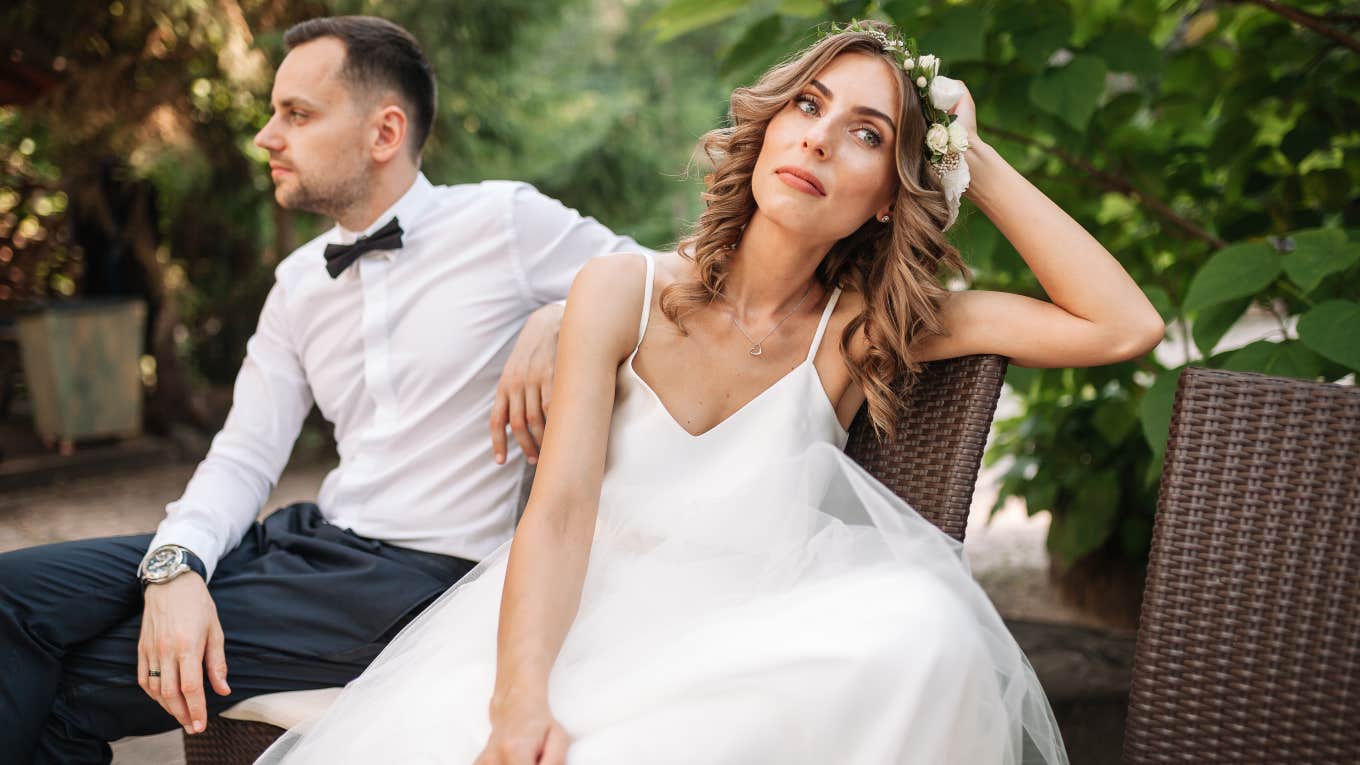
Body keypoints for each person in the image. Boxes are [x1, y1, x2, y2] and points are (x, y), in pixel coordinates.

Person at [261, 19, 1165, 765]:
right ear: (769, 128)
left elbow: (1121, 326)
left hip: (760, 644)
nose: (817, 134)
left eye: (867, 132)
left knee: (926, 626)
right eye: (807, 105)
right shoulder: (621, 292)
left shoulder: (856, 330)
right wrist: (520, 700)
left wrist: (969, 151)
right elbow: (562, 509)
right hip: (585, 631)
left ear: (890, 194)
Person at [0, 15, 643, 765]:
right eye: (274, 113)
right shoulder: (299, 281)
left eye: (297, 114)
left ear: (384, 132)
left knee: (71, 683)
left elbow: (667, 282)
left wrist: (566, 311)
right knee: (14, 591)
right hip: (306, 537)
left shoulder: (504, 222)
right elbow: (243, 454)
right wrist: (177, 563)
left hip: (419, 576)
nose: (267, 137)